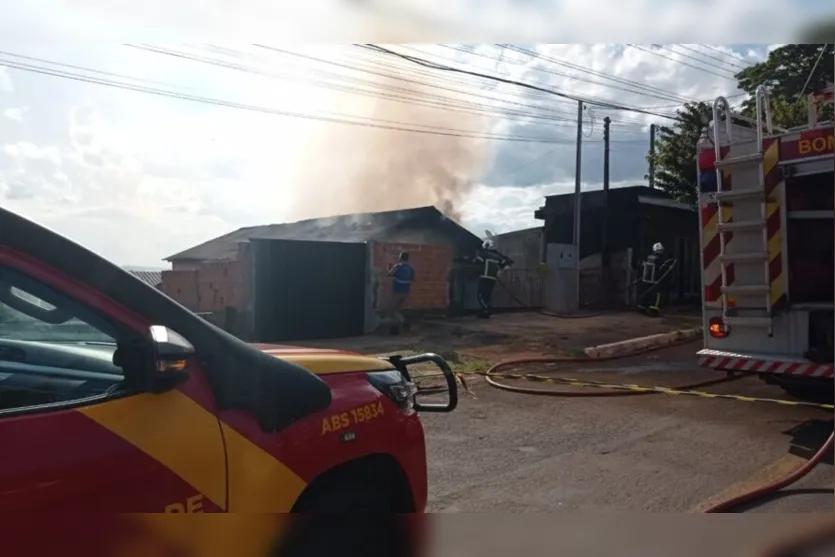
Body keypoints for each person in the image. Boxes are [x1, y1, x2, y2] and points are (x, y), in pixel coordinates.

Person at [474, 240, 513, 319]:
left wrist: (472, 259)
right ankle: (485, 312)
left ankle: (486, 310)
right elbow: (509, 262)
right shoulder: (497, 256)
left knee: (480, 296)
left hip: (484, 277)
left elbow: (476, 261)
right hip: (493, 278)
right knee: (487, 296)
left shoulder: (484, 254)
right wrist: (499, 269)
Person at [637, 242, 675, 317]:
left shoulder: (648, 257)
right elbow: (662, 269)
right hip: (655, 280)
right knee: (656, 295)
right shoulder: (660, 259)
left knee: (646, 293)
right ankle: (653, 309)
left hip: (646, 279)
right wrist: (668, 266)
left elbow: (642, 265)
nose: (662, 252)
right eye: (661, 250)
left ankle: (642, 306)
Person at [386, 252, 415, 334]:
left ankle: (401, 325)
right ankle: (402, 325)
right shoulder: (411, 268)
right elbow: (412, 279)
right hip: (405, 291)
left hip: (397, 290)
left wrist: (388, 267)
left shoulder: (398, 266)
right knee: (398, 309)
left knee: (392, 310)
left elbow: (389, 274)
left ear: (401, 258)